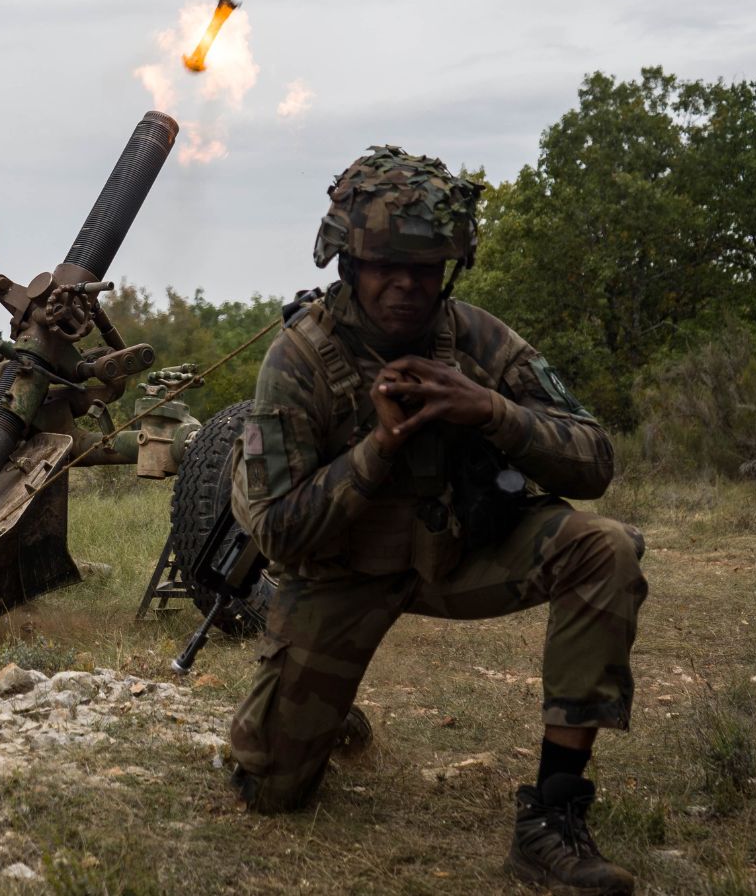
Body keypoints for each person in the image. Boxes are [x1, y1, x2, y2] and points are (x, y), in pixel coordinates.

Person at [227, 146, 647, 895]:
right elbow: (279, 533)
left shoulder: (478, 341)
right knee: (269, 790)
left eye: (427, 268)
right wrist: (379, 446)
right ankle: (326, 707)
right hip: (341, 574)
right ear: (348, 262)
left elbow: (596, 461)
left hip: (458, 557)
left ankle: (552, 818)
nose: (407, 285)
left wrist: (491, 411)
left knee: (604, 549)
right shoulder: (298, 360)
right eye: (386, 263)